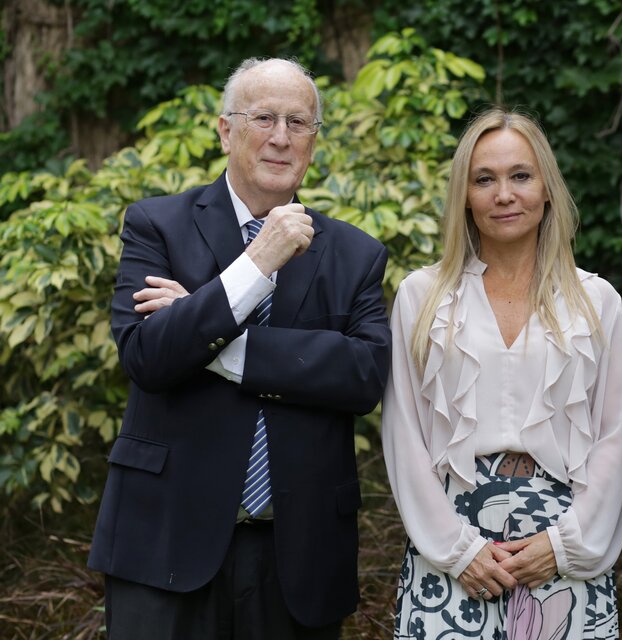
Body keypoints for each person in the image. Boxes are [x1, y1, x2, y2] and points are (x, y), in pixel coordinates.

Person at [87, 57, 391, 639]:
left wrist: (221, 345)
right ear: (226, 130)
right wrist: (257, 264)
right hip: (165, 545)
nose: (281, 137)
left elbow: (362, 376)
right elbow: (148, 357)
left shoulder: (356, 255)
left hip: (296, 556)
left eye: (298, 122)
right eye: (264, 118)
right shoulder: (157, 226)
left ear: (313, 140)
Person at [382, 107, 622, 639]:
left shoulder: (595, 301)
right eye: (484, 179)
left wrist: (565, 546)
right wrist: (457, 550)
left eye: (520, 176)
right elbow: (403, 432)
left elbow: (617, 436)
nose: (504, 194)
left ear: (547, 189)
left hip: (562, 559)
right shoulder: (422, 298)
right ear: (465, 197)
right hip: (451, 558)